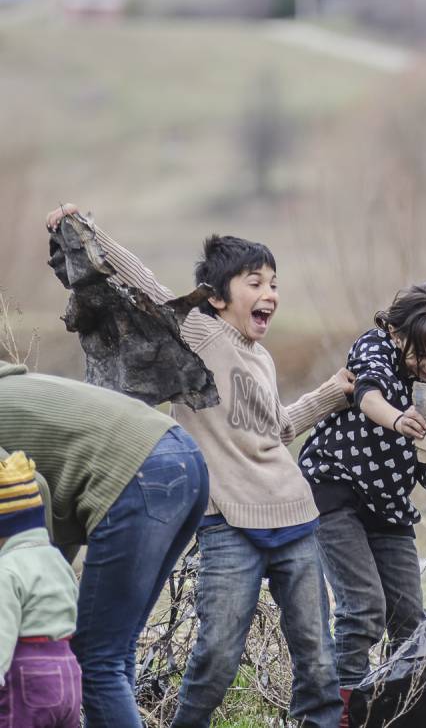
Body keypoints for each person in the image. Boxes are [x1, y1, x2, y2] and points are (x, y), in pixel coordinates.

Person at [46, 205, 352, 728]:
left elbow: (274, 428)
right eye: (254, 282)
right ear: (216, 296)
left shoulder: (262, 356)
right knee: (215, 656)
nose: (270, 294)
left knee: (318, 660)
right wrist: (85, 231)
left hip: (293, 513)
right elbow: (144, 282)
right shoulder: (199, 333)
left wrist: (332, 393)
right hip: (229, 520)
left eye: (274, 283)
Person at [0, 360, 208, 727]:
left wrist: (33, 581)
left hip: (142, 472)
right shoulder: (16, 388)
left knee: (96, 657)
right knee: (113, 653)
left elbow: (38, 493)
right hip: (183, 458)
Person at [299, 283, 426, 721]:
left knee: (412, 622)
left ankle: (395, 710)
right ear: (398, 334)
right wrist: (398, 419)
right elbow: (368, 394)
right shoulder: (374, 347)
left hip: (388, 503)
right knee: (363, 609)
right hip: (336, 488)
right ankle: (344, 712)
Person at [0, 449, 82, 727]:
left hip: (28, 681)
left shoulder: (7, 570)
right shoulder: (57, 560)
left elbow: (1, 635)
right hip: (69, 676)